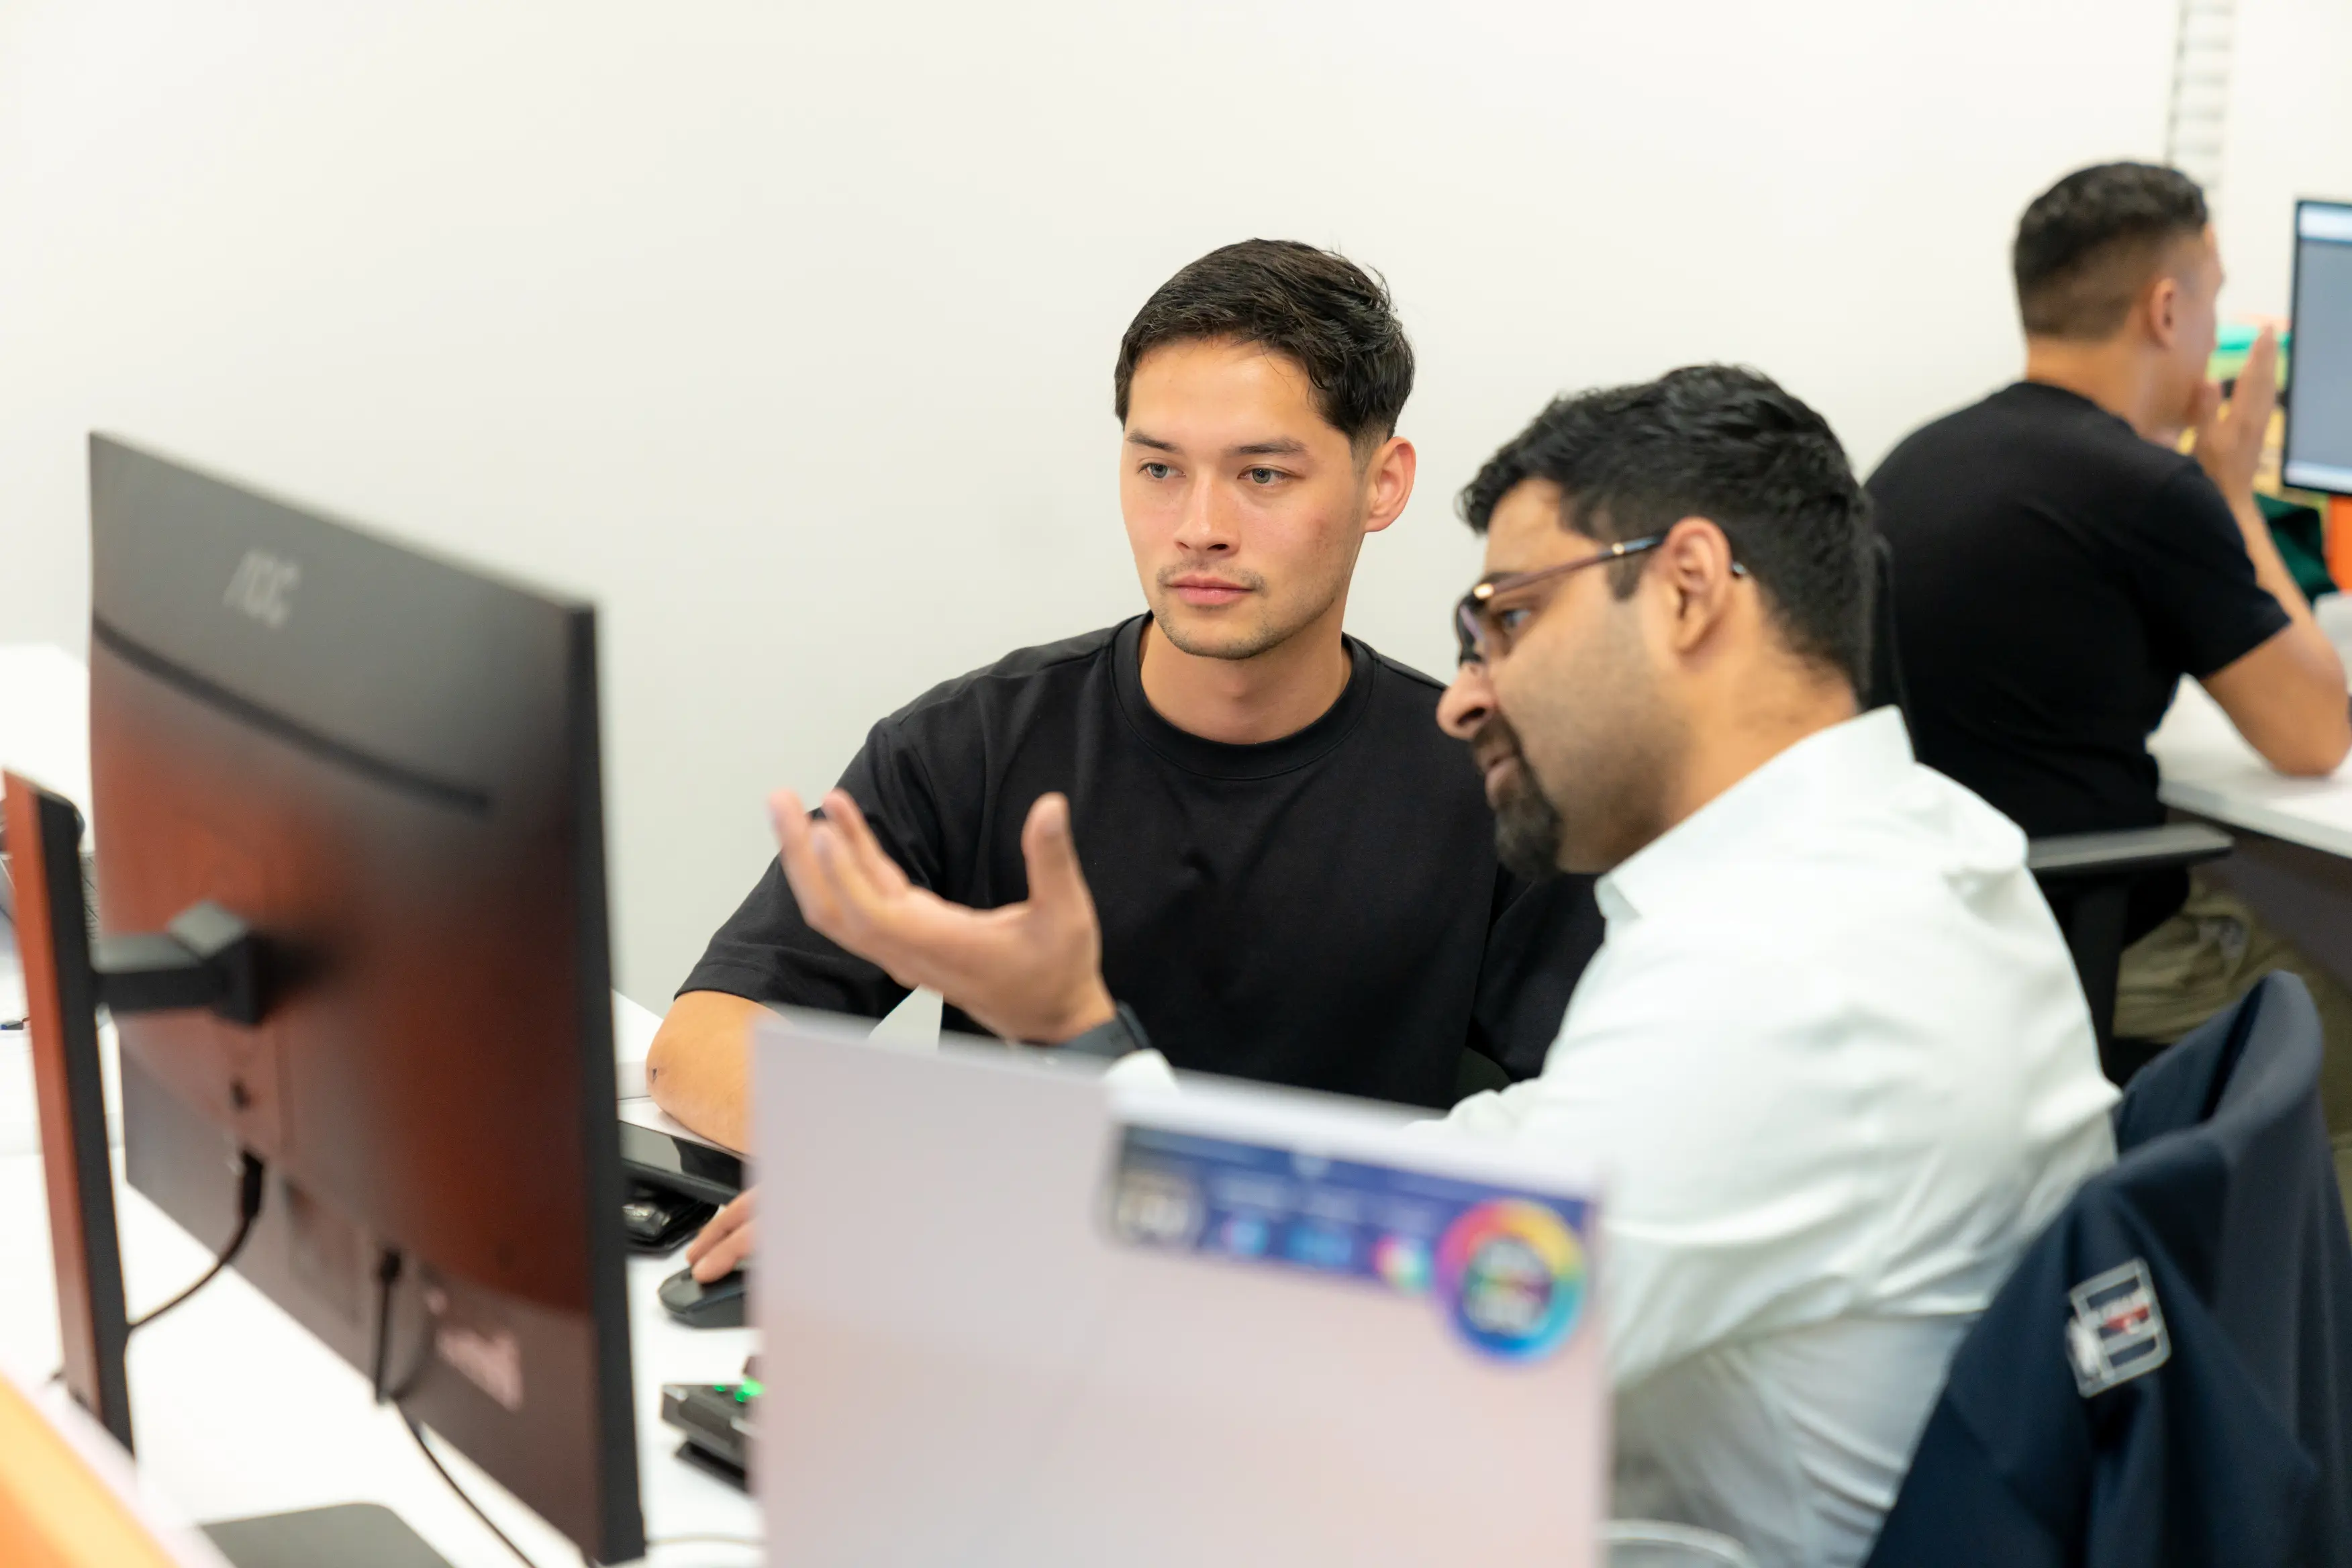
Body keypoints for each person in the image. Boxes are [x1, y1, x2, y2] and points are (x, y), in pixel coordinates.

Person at [691, 365, 2119, 1568]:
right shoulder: (1905, 856)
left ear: (1687, 589)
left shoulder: (1793, 980)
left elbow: (1356, 1352)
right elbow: (1474, 1179)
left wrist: (1053, 1060)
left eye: (1509, 618)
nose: (1467, 691)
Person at [646, 239, 1600, 1151]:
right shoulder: (976, 745)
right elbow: (704, 1042)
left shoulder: (1492, 789)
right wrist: (888, 1170)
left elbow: (1607, 1135)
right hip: (1021, 1297)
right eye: (1158, 470)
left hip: (1339, 1297)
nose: (1199, 527)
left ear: (1381, 484)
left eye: (1262, 474)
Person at [1867, 162, 2352, 1186]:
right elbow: (2317, 735)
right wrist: (2230, 485)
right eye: (2213, 300)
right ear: (2169, 309)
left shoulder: (1922, 458)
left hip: (1936, 937)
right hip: (2092, 948)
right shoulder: (2151, 492)